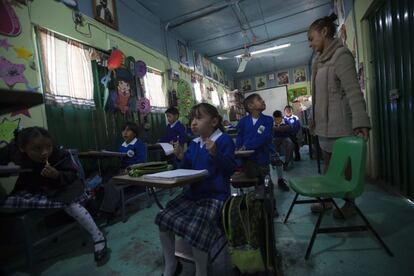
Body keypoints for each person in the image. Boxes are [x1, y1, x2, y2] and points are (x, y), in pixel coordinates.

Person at [0, 127, 109, 265]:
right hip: (34, 188)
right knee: (6, 203)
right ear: (22, 148)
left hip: (64, 187)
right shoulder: (14, 151)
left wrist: (57, 175)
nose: (45, 152)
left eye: (48, 146)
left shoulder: (59, 154)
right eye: (37, 149)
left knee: (71, 204)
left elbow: (72, 175)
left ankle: (98, 236)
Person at [155, 103, 236, 276]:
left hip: (216, 197)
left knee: (196, 227)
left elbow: (230, 169)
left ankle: (201, 271)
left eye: (199, 118)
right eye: (192, 118)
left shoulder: (224, 140)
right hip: (192, 195)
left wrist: (216, 154)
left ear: (214, 121)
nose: (193, 122)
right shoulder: (194, 143)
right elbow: (187, 169)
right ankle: (171, 265)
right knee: (163, 218)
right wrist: (180, 157)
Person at [308, 13, 370, 218]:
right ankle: (327, 201)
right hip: (324, 125)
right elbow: (316, 96)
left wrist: (361, 121)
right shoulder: (318, 61)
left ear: (324, 32)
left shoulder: (341, 56)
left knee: (346, 167)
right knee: (328, 165)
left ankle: (350, 204)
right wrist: (313, 120)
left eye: (311, 38)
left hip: (342, 124)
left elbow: (353, 91)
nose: (310, 44)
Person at [99, 122, 146, 219]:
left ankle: (107, 212)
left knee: (112, 183)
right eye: (123, 130)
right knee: (104, 180)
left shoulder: (139, 144)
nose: (125, 133)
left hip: (136, 171)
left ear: (135, 133)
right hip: (123, 170)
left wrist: (129, 169)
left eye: (128, 130)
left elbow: (142, 161)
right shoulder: (122, 146)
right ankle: (112, 208)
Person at [236, 94, 274, 181]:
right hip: (247, 160)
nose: (263, 101)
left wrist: (246, 146)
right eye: (259, 99)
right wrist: (239, 150)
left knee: (266, 184)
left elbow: (265, 137)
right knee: (251, 183)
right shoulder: (243, 121)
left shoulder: (268, 120)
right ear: (250, 106)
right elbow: (239, 138)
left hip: (262, 158)